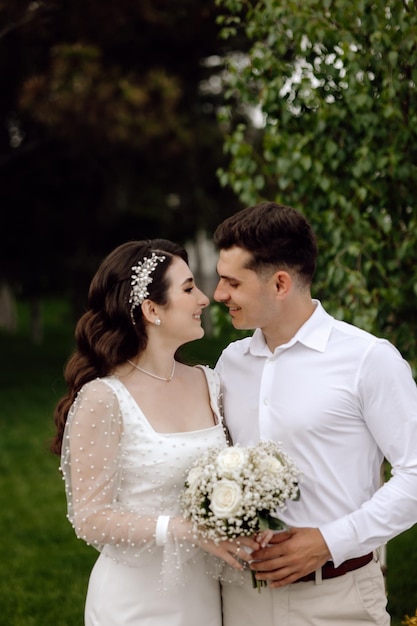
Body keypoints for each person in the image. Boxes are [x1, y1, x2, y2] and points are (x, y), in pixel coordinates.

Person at [213, 202, 417, 625]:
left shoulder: (368, 360)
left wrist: (330, 540)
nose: (219, 294)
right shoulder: (229, 364)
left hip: (338, 600)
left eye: (232, 282)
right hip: (239, 599)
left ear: (281, 283)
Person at [51, 239, 256, 626]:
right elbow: (89, 517)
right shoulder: (104, 398)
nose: (204, 300)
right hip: (136, 601)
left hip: (205, 595)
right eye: (189, 288)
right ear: (151, 309)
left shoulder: (209, 383)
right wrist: (185, 529)